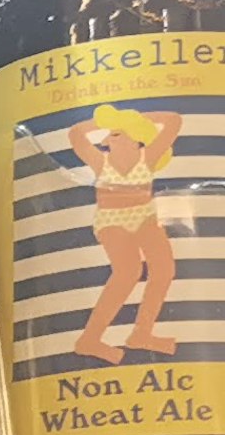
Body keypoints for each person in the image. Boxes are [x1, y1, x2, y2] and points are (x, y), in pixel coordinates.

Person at [64, 101, 187, 363]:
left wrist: (141, 116)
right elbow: (75, 134)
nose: (109, 138)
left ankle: (142, 333)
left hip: (144, 217)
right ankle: (89, 339)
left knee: (164, 268)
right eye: (110, 135)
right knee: (128, 271)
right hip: (112, 220)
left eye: (117, 133)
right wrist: (107, 121)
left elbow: (174, 119)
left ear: (136, 139)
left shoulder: (148, 157)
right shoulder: (101, 162)